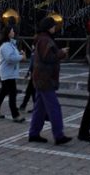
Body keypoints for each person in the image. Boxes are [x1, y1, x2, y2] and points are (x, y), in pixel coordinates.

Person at [28, 16, 71, 145]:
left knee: (40, 109)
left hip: (42, 78)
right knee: (54, 107)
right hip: (45, 79)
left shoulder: (43, 39)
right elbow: (48, 58)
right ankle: (59, 135)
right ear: (48, 27)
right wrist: (61, 53)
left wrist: (58, 52)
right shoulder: (45, 40)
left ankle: (34, 133)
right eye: (53, 26)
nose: (54, 28)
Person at [0, 25, 26, 122]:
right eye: (12, 31)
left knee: (4, 92)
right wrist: (21, 57)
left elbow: (12, 55)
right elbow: (10, 58)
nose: (13, 33)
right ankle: (15, 115)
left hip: (9, 72)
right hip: (7, 73)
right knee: (12, 93)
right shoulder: (6, 45)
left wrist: (20, 54)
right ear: (8, 33)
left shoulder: (10, 44)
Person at [19, 45, 35, 111]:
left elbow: (32, 64)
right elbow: (31, 64)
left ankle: (23, 105)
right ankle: (23, 105)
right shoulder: (34, 52)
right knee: (30, 91)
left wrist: (28, 73)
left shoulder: (35, 52)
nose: (32, 46)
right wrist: (28, 73)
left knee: (31, 91)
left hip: (35, 74)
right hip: (34, 74)